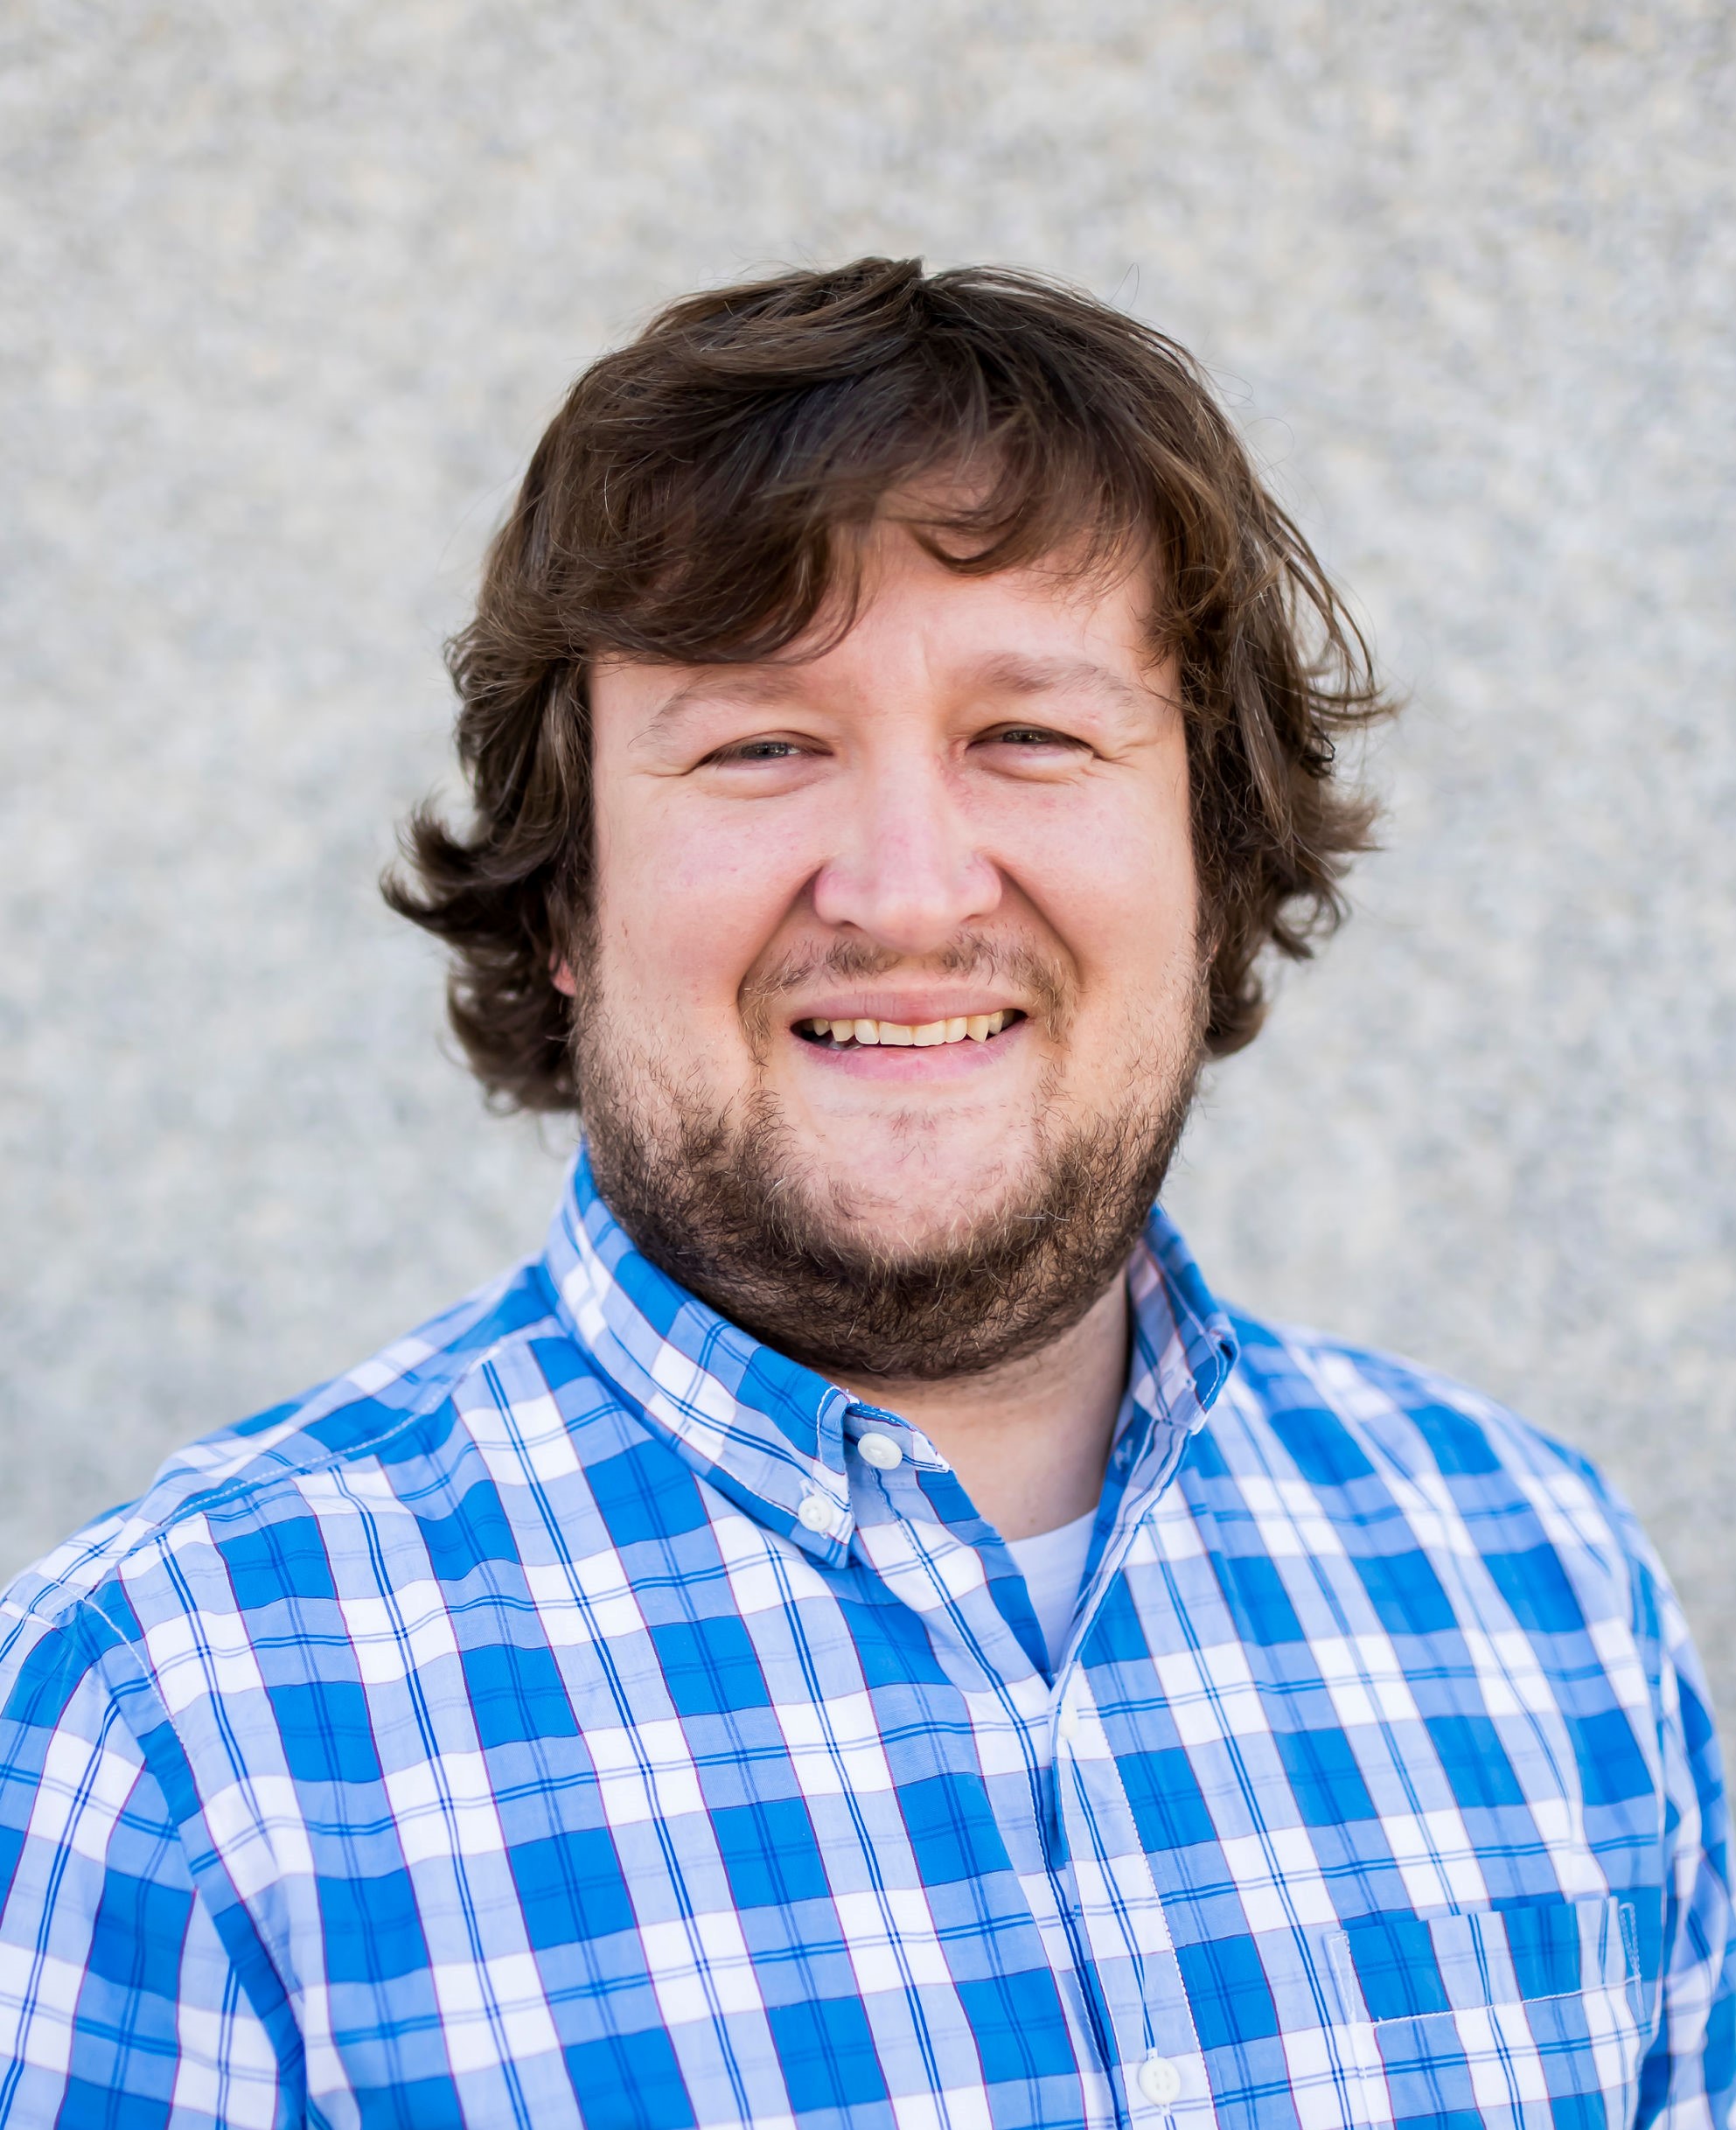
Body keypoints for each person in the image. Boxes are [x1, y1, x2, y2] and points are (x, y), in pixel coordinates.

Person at [0, 259, 1727, 2130]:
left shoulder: (1544, 1592)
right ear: (572, 900)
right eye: (762, 744)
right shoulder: (172, 1731)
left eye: (1032, 737)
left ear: (1214, 861)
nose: (908, 894)